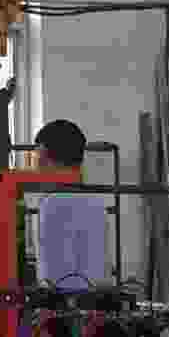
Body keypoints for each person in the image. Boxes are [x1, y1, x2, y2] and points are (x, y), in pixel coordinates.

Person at [26, 118, 115, 292]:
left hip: (66, 303)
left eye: (36, 156)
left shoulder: (52, 204)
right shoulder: (96, 203)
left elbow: (52, 277)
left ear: (43, 155)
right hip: (98, 298)